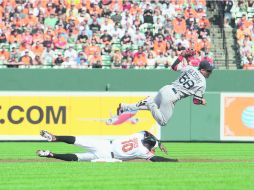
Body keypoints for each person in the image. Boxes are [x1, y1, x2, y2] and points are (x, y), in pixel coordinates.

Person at [117, 49, 214, 126]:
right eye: (208, 70)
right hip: (172, 96)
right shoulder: (202, 83)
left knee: (148, 107)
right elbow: (196, 101)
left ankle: (124, 107)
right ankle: (150, 102)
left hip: (166, 88)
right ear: (202, 70)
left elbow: (174, 67)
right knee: (162, 121)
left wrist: (181, 56)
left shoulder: (190, 68)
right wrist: (202, 101)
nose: (210, 72)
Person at [37, 130, 177, 162]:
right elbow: (156, 159)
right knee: (77, 157)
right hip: (106, 155)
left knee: (77, 140)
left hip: (104, 143)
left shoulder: (138, 136)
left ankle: (56, 138)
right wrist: (172, 161)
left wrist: (160, 142)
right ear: (149, 146)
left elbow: (147, 132)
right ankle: (51, 155)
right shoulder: (143, 151)